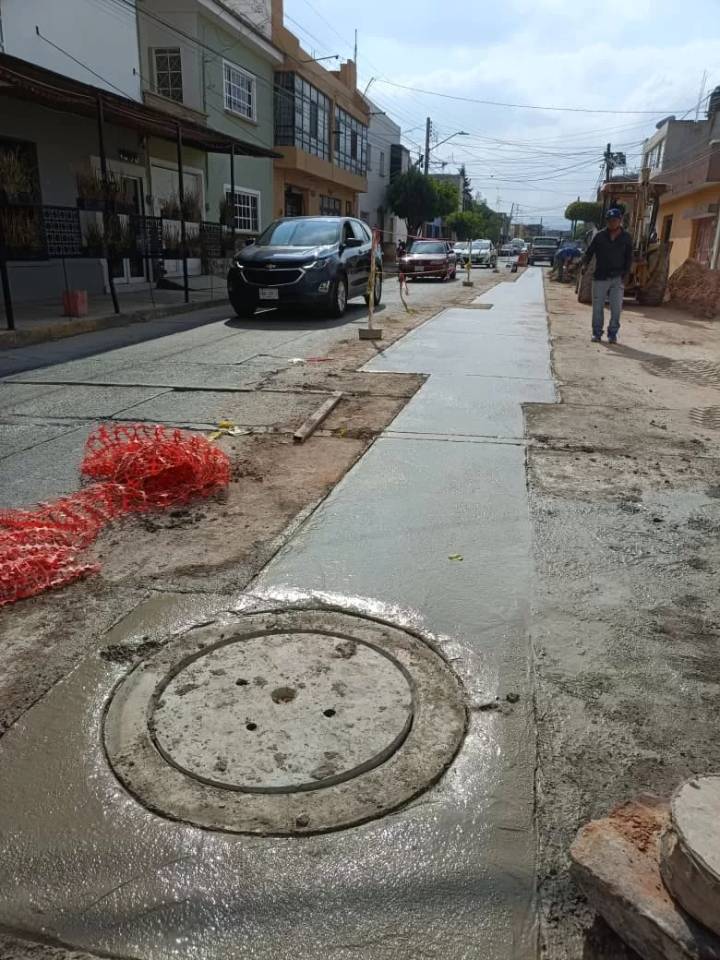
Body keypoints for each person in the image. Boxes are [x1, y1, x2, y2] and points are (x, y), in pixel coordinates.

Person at [582, 208, 633, 344]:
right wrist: (584, 265)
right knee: (597, 307)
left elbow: (629, 257)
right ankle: (597, 333)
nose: (612, 223)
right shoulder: (599, 236)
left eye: (615, 220)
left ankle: (612, 333)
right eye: (610, 221)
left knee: (616, 308)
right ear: (607, 221)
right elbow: (589, 252)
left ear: (620, 221)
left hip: (617, 277)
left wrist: (627, 274)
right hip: (600, 276)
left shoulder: (626, 237)